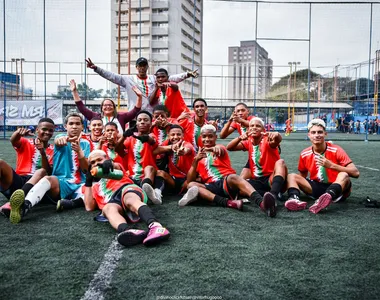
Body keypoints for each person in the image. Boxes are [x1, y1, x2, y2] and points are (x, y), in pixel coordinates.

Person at [8, 113, 91, 223]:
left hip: (80, 184)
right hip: (62, 182)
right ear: (66, 126)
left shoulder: (86, 144)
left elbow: (85, 170)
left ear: (82, 126)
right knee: (48, 179)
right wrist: (63, 140)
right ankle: (24, 206)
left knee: (94, 189)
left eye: (77, 124)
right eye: (71, 124)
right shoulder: (59, 137)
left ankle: (71, 204)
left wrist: (80, 152)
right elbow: (58, 141)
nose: (74, 126)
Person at [179, 124, 274, 217]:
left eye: (210, 136)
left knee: (233, 177)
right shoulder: (198, 157)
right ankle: (230, 203)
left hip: (226, 182)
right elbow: (190, 180)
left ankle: (262, 203)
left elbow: (220, 150)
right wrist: (195, 161)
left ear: (215, 137)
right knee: (191, 185)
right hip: (212, 187)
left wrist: (213, 149)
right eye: (204, 137)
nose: (207, 139)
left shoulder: (220, 147)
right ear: (201, 137)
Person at [83, 150, 170, 247]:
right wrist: (88, 182)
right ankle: (128, 232)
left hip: (126, 189)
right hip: (113, 203)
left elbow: (115, 166)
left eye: (99, 160)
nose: (96, 163)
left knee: (129, 199)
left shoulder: (114, 170)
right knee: (107, 208)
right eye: (93, 162)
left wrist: (109, 164)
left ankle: (156, 226)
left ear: (107, 159)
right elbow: (89, 207)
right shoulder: (93, 187)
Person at [285, 118, 360, 214]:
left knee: (344, 175)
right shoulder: (304, 153)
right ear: (309, 135)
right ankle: (294, 199)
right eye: (313, 132)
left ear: (325, 134)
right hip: (316, 187)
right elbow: (302, 176)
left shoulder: (336, 150)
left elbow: (356, 173)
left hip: (337, 189)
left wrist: (332, 165)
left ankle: (327, 197)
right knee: (291, 176)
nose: (317, 135)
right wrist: (293, 185)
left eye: (320, 132)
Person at [86, 57, 198, 113]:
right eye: (140, 65)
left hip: (152, 115)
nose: (142, 68)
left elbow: (170, 78)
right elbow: (111, 76)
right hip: (134, 115)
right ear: (137, 67)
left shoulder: (154, 78)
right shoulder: (128, 79)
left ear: (147, 67)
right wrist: (96, 68)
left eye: (144, 65)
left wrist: (187, 74)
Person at [227, 117, 287, 217]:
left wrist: (277, 135)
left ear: (264, 130)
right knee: (240, 188)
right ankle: (265, 196)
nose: (254, 128)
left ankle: (273, 196)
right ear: (248, 129)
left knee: (281, 162)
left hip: (270, 179)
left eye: (258, 126)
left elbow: (277, 140)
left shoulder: (268, 140)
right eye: (252, 126)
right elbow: (229, 147)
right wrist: (239, 138)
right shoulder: (248, 142)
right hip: (257, 181)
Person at [0, 118, 55, 217]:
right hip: (19, 180)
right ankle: (17, 199)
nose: (47, 132)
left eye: (50, 130)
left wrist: (43, 153)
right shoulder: (26, 142)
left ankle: (14, 203)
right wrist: (18, 133)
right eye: (44, 129)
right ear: (37, 130)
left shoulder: (54, 150)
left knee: (41, 171)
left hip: (37, 187)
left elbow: (48, 172)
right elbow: (13, 140)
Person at [115, 111, 162, 205]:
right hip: (132, 176)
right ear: (136, 124)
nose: (142, 122)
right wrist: (124, 136)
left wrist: (146, 138)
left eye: (145, 120)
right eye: (139, 120)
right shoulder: (131, 138)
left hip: (148, 176)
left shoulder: (152, 136)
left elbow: (153, 142)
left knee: (149, 168)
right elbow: (117, 148)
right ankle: (145, 193)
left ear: (150, 123)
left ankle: (146, 187)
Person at [70, 79, 142, 132]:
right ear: (101, 108)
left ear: (114, 108)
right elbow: (82, 108)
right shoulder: (95, 117)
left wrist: (139, 97)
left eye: (110, 105)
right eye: (105, 105)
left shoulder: (122, 117)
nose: (108, 107)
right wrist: (74, 91)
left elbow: (136, 110)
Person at [152, 124, 195, 195]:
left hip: (186, 180)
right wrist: (171, 147)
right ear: (168, 136)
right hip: (172, 180)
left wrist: (183, 151)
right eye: (173, 134)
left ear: (183, 136)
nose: (175, 137)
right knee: (159, 172)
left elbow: (188, 149)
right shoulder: (167, 143)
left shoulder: (187, 144)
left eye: (178, 134)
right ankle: (157, 194)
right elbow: (154, 151)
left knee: (193, 184)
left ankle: (188, 194)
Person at [220, 103, 254, 179]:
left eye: (243, 110)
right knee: (242, 181)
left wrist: (240, 120)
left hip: (264, 150)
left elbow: (253, 125)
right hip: (252, 153)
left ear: (247, 111)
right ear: (235, 113)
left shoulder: (252, 119)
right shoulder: (236, 123)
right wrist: (230, 120)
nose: (240, 113)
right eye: (238, 111)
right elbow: (222, 136)